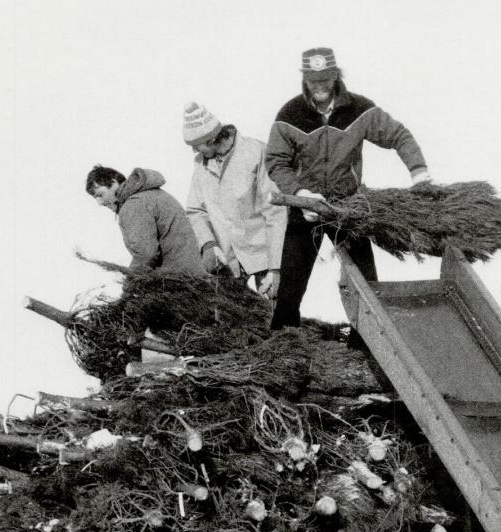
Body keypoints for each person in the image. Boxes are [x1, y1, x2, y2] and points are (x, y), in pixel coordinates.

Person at [266, 46, 432, 332]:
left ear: (337, 75)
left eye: (326, 79)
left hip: (348, 208)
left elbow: (399, 135)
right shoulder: (289, 114)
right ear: (304, 79)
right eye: (313, 80)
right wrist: (300, 195)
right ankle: (283, 341)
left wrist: (419, 172)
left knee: (366, 283)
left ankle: (366, 341)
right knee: (291, 285)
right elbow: (276, 162)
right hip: (306, 209)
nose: (320, 86)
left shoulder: (360, 110)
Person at [182, 102, 287, 300]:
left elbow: (276, 212)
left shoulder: (256, 153)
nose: (194, 150)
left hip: (263, 255)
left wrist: (276, 268)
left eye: (197, 145)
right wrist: (208, 243)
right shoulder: (200, 164)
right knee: (228, 317)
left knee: (275, 315)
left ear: (213, 138)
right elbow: (195, 210)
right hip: (226, 259)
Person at [85, 165, 205, 275]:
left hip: (180, 279)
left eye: (100, 195)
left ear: (114, 182)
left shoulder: (133, 205)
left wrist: (130, 285)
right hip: (192, 272)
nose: (99, 203)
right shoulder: (148, 195)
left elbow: (146, 253)